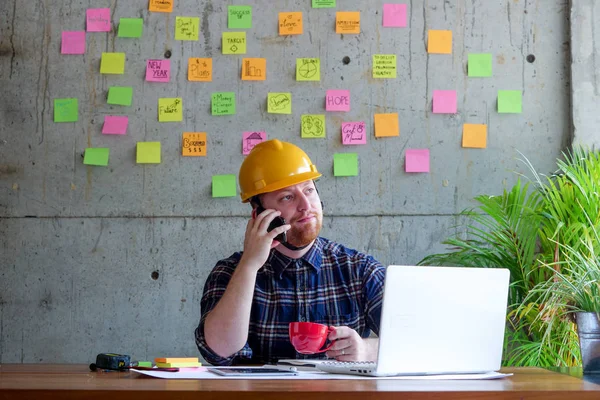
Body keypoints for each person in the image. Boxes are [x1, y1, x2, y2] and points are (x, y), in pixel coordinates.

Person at [195, 139, 385, 366]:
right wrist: (249, 265)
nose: (306, 205)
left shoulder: (359, 270)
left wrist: (367, 349)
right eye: (287, 196)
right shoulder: (229, 272)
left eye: (309, 190)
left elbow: (421, 342)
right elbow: (219, 351)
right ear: (260, 213)